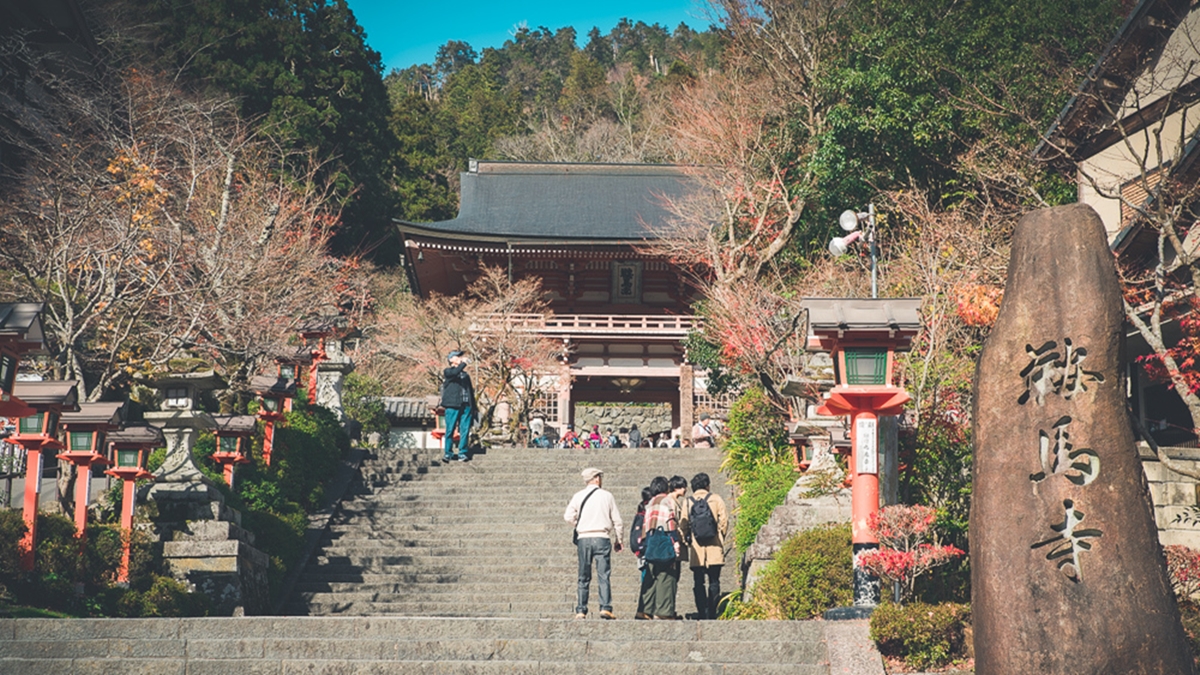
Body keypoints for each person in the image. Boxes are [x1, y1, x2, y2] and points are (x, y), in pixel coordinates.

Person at [564, 467, 623, 619]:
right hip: (602, 537)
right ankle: (605, 607)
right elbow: (617, 521)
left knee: (583, 576)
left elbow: (568, 516)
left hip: (583, 538)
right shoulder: (607, 496)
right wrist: (619, 539)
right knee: (603, 575)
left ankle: (581, 610)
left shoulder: (578, 496)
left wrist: (580, 524)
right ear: (596, 478)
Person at [679, 472, 729, 619]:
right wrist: (719, 536)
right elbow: (724, 521)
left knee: (698, 582)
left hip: (697, 548)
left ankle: (702, 612)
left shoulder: (688, 502)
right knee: (714, 581)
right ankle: (712, 612)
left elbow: (683, 524)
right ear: (707, 485)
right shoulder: (716, 499)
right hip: (714, 546)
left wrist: (687, 540)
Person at [640, 475, 687, 619]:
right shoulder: (667, 500)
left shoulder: (651, 502)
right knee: (667, 577)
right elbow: (670, 522)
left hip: (651, 541)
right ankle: (664, 612)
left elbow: (645, 524)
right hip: (664, 540)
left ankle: (645, 610)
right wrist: (675, 541)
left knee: (651, 576)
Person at [440, 350, 475, 462]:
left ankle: (462, 452)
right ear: (451, 360)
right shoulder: (448, 372)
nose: (460, 358)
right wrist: (463, 363)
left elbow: (470, 391)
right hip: (452, 404)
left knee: (465, 430)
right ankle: (448, 452)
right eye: (457, 356)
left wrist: (473, 407)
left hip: (466, 405)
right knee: (450, 429)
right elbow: (454, 373)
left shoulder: (465, 375)